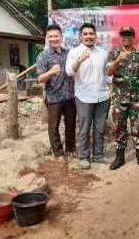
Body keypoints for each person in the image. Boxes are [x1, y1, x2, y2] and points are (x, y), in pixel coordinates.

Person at [66, 23, 111, 169]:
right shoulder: (74, 52)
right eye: (85, 34)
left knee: (100, 127)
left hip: (102, 96)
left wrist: (109, 88)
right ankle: (84, 156)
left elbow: (106, 74)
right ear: (80, 36)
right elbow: (69, 72)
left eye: (91, 34)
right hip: (84, 96)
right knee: (84, 128)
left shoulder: (102, 52)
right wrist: (80, 59)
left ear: (95, 36)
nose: (88, 36)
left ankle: (98, 155)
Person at [107, 26, 139, 170]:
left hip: (136, 99)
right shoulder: (114, 53)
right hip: (120, 99)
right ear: (120, 37)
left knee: (136, 128)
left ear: (134, 37)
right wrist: (118, 60)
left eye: (129, 34)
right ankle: (119, 157)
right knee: (119, 128)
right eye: (124, 34)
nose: (126, 37)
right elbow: (109, 72)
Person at [36, 24, 76, 163]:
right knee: (53, 127)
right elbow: (40, 79)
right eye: (51, 36)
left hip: (70, 96)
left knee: (70, 125)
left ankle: (70, 149)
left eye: (56, 36)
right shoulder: (43, 55)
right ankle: (58, 154)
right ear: (47, 38)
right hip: (54, 97)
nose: (54, 39)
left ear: (61, 37)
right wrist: (51, 71)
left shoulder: (69, 53)